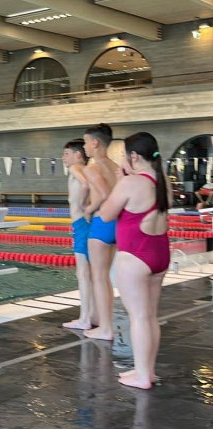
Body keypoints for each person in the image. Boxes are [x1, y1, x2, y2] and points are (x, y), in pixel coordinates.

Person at [100, 131, 171, 389]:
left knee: (139, 317)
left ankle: (142, 376)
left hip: (135, 256)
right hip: (159, 253)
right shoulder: (162, 180)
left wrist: (121, 180)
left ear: (133, 156)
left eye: (123, 156)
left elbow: (106, 214)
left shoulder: (131, 183)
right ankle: (146, 371)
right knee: (150, 316)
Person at [83, 123, 121, 341]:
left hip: (101, 223)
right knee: (105, 277)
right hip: (117, 224)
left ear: (95, 143)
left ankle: (106, 328)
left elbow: (106, 195)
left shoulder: (92, 168)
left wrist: (88, 209)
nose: (85, 147)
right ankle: (103, 322)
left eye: (86, 142)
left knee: (99, 277)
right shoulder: (116, 167)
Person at [61, 138, 96, 330]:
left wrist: (83, 206)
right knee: (91, 273)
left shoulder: (76, 168)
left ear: (78, 155)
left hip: (81, 224)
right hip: (87, 224)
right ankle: (92, 315)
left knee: (82, 273)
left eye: (66, 154)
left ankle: (84, 319)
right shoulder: (90, 169)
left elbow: (85, 185)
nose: (63, 158)